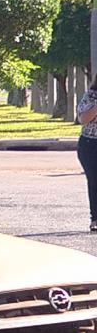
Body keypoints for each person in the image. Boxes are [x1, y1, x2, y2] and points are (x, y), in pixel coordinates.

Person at [76, 78, 97, 231]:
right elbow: (83, 119)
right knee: (94, 181)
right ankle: (95, 218)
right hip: (90, 145)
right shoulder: (90, 96)